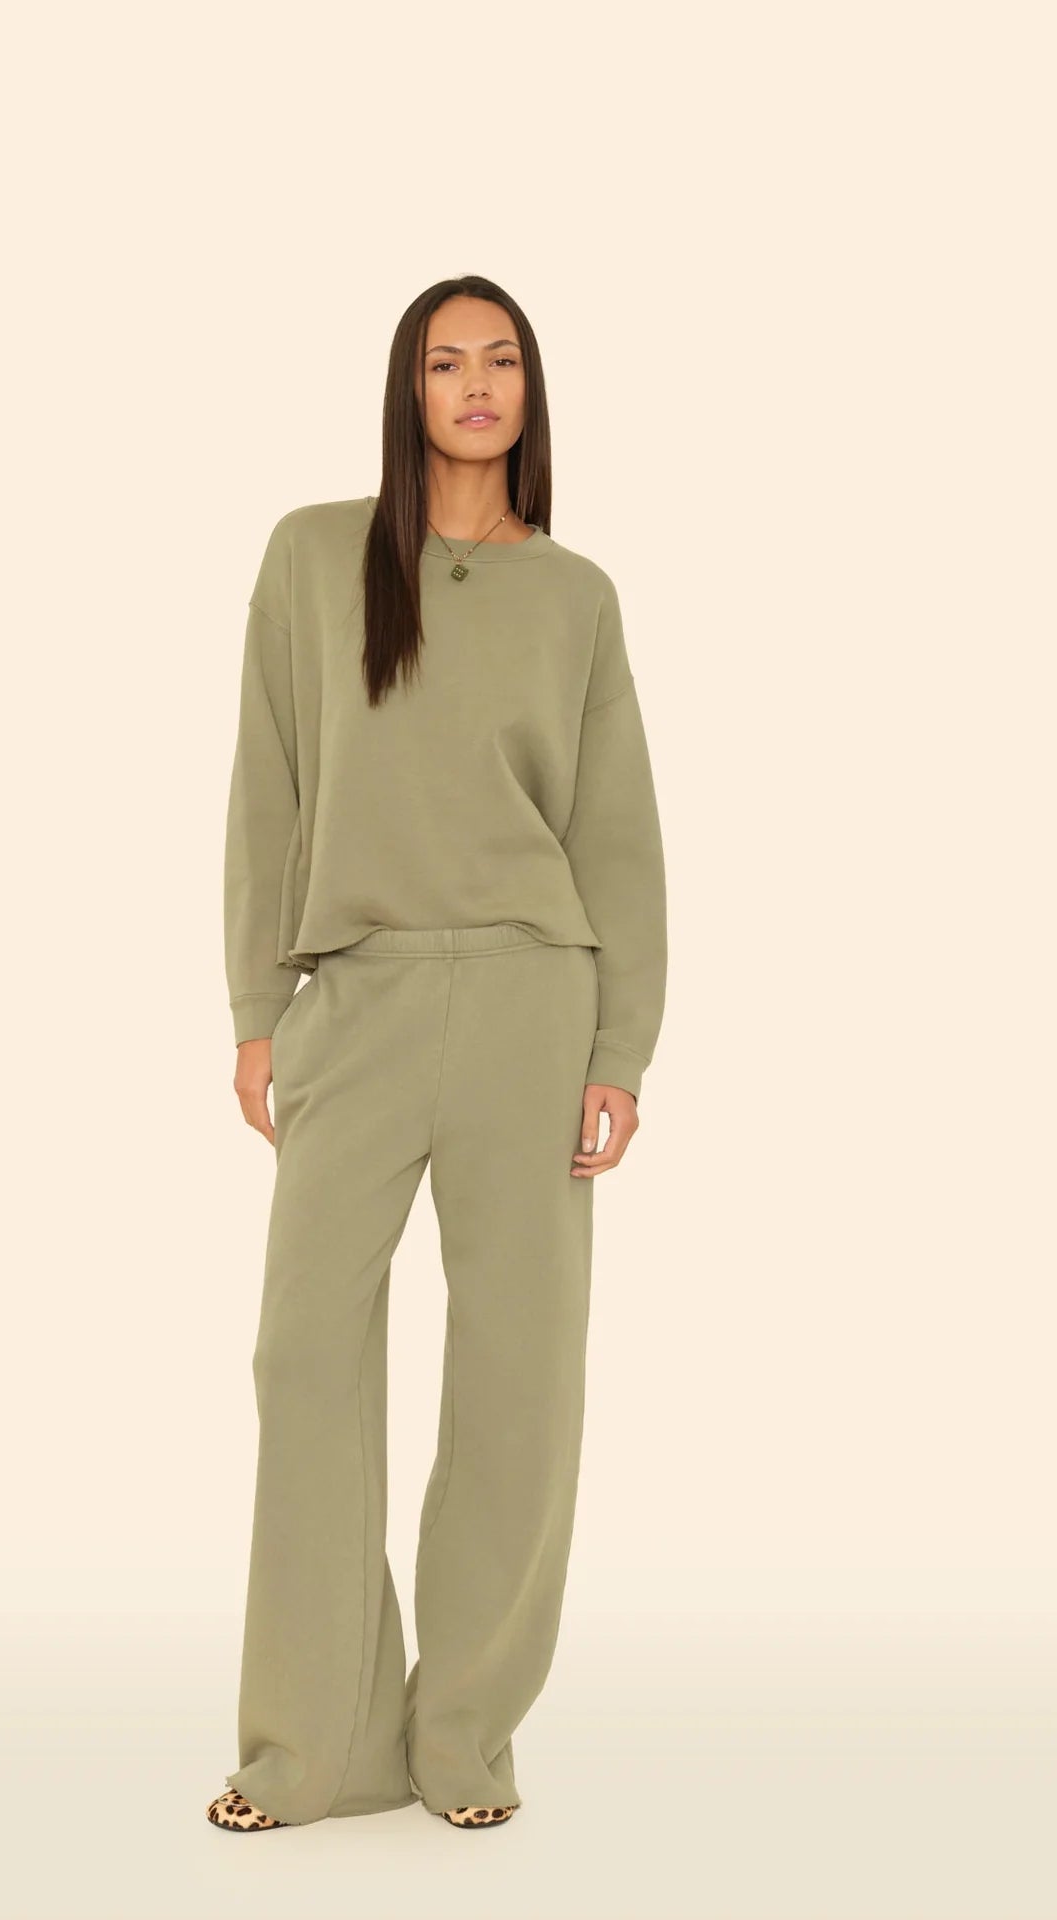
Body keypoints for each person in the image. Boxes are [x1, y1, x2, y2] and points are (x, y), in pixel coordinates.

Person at [207, 275, 668, 1834]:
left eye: (503, 360)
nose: (477, 384)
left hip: (537, 1002)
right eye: (446, 361)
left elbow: (618, 838)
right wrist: (256, 1008)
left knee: (518, 1373)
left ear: (530, 392)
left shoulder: (576, 597)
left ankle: (462, 1738)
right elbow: (267, 789)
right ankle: (315, 1749)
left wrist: (621, 1047)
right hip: (358, 996)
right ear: (407, 390)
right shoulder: (311, 555)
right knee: (302, 1356)